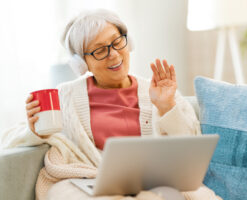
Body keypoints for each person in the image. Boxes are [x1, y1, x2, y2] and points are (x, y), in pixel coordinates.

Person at [9, 8, 220, 200]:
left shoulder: (157, 89)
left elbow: (189, 147)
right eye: (99, 50)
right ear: (82, 63)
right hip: (90, 182)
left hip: (153, 183)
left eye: (117, 42)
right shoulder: (66, 95)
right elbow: (9, 139)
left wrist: (166, 106)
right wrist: (34, 128)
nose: (114, 54)